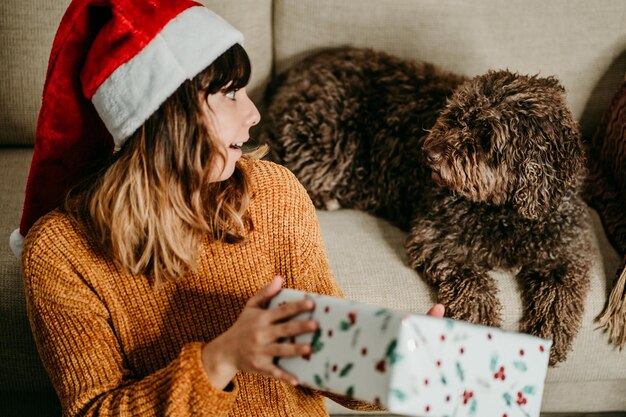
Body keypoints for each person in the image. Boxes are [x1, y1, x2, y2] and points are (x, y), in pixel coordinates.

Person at [10, 0, 445, 415]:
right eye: (231, 93)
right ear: (167, 118)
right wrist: (222, 358)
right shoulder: (60, 251)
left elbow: (318, 356)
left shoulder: (275, 194)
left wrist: (391, 365)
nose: (254, 114)